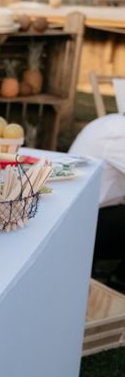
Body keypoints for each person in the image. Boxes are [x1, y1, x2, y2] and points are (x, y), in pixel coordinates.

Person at [69, 113, 125, 289]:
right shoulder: (119, 134)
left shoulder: (111, 122)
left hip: (84, 215)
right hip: (85, 227)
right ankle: (119, 281)